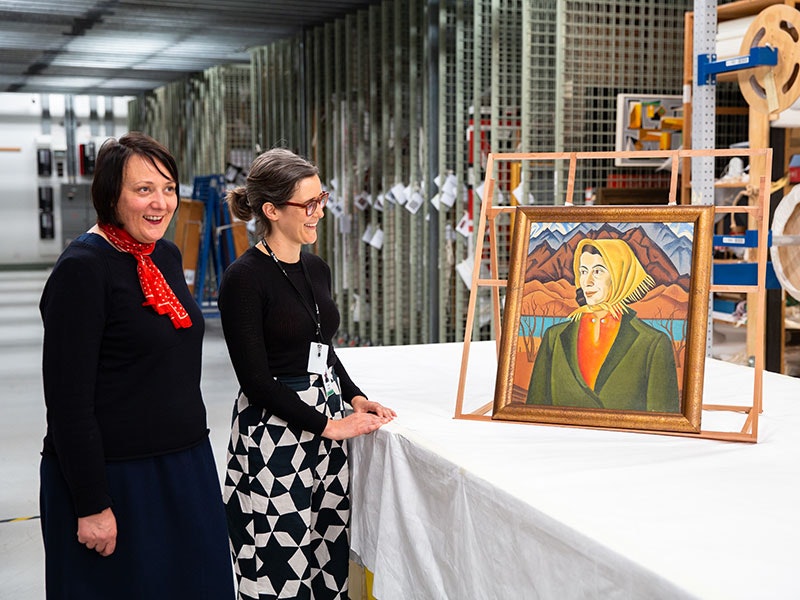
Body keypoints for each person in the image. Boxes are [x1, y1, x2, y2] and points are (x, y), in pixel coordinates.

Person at [39, 132, 234, 599]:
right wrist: (92, 504)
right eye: (143, 189)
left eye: (168, 188)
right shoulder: (83, 270)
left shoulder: (163, 254)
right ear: (110, 195)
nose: (161, 203)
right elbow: (67, 404)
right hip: (118, 480)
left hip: (185, 466)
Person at [218, 148, 396, 600]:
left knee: (327, 559)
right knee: (278, 567)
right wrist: (331, 426)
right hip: (274, 435)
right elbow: (255, 380)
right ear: (271, 210)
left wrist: (353, 397)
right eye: (309, 204)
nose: (320, 213)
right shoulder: (244, 278)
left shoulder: (316, 268)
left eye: (322, 199)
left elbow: (321, 348)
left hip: (325, 424)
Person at [526, 237, 680, 412]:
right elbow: (534, 410)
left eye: (598, 271)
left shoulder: (653, 343)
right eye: (583, 271)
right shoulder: (554, 337)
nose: (587, 281)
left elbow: (662, 420)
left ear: (620, 276)